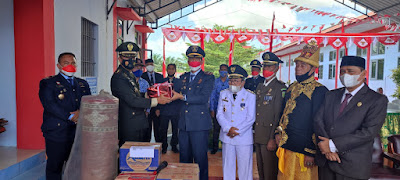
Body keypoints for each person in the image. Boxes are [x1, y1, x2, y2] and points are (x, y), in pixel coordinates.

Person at [314, 56, 388, 180]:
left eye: (350, 71)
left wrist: (332, 145)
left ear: (363, 73)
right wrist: (327, 149)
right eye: (342, 71)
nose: (345, 75)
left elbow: (368, 132)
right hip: (326, 163)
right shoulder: (331, 95)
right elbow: (318, 120)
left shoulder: (376, 100)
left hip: (352, 167)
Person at [275, 42, 328, 180]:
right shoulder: (291, 87)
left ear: (313, 69)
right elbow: (283, 113)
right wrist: (277, 132)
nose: (298, 68)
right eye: (297, 65)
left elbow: (319, 122)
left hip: (304, 150)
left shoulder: (319, 91)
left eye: (303, 65)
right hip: (286, 144)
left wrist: (311, 151)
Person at [39, 52, 91, 180]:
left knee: (76, 166)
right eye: (66, 63)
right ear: (58, 65)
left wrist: (81, 112)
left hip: (78, 132)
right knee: (55, 167)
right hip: (57, 132)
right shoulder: (49, 83)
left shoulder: (82, 83)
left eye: (73, 63)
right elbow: (50, 104)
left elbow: (88, 102)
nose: (70, 66)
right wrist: (70, 117)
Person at [110, 42, 170, 146]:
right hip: (129, 125)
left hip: (138, 122)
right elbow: (132, 100)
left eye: (133, 56)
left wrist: (151, 95)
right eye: (126, 56)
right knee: (130, 156)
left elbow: (136, 95)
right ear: (120, 58)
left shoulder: (128, 74)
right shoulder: (119, 77)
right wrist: (157, 100)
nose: (130, 59)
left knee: (139, 155)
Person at [170, 45, 215, 180]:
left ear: (201, 60)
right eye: (191, 58)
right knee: (184, 158)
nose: (193, 61)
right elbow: (173, 92)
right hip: (184, 124)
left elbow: (203, 98)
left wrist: (182, 97)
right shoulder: (183, 77)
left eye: (196, 58)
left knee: (200, 158)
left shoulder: (208, 78)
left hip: (199, 125)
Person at [217, 64, 256, 180]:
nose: (232, 83)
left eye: (236, 81)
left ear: (243, 82)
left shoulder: (250, 96)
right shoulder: (223, 93)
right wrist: (228, 128)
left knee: (245, 169)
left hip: (243, 138)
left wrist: (236, 131)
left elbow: (250, 118)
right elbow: (219, 114)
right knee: (227, 167)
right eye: (231, 80)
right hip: (227, 136)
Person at [254, 52, 287, 180]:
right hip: (258, 133)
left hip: (269, 136)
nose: (266, 70)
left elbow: (279, 114)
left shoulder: (280, 88)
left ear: (277, 68)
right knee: (261, 170)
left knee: (269, 172)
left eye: (270, 67)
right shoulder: (260, 86)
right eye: (265, 66)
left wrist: (273, 137)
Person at [159, 64, 181, 154]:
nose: (171, 70)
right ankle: (164, 147)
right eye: (169, 69)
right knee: (163, 129)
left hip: (175, 109)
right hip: (164, 109)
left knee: (175, 129)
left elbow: (181, 95)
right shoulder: (162, 81)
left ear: (175, 70)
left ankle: (174, 146)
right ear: (167, 70)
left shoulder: (179, 82)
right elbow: (158, 95)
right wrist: (158, 108)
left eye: (172, 69)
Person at [141, 58, 165, 142]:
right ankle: (146, 145)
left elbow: (162, 93)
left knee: (158, 128)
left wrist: (158, 107)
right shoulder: (142, 76)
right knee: (146, 128)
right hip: (146, 105)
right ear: (145, 66)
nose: (149, 66)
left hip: (157, 105)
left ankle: (159, 146)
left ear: (153, 65)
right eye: (147, 65)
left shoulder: (160, 76)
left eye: (151, 64)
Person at [209, 64, 230, 154]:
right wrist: (212, 109)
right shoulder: (215, 81)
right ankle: (215, 147)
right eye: (221, 70)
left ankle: (227, 148)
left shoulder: (230, 82)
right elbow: (212, 96)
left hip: (228, 110)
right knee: (216, 130)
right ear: (219, 71)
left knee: (226, 129)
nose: (223, 72)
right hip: (217, 110)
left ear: (228, 71)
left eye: (225, 70)